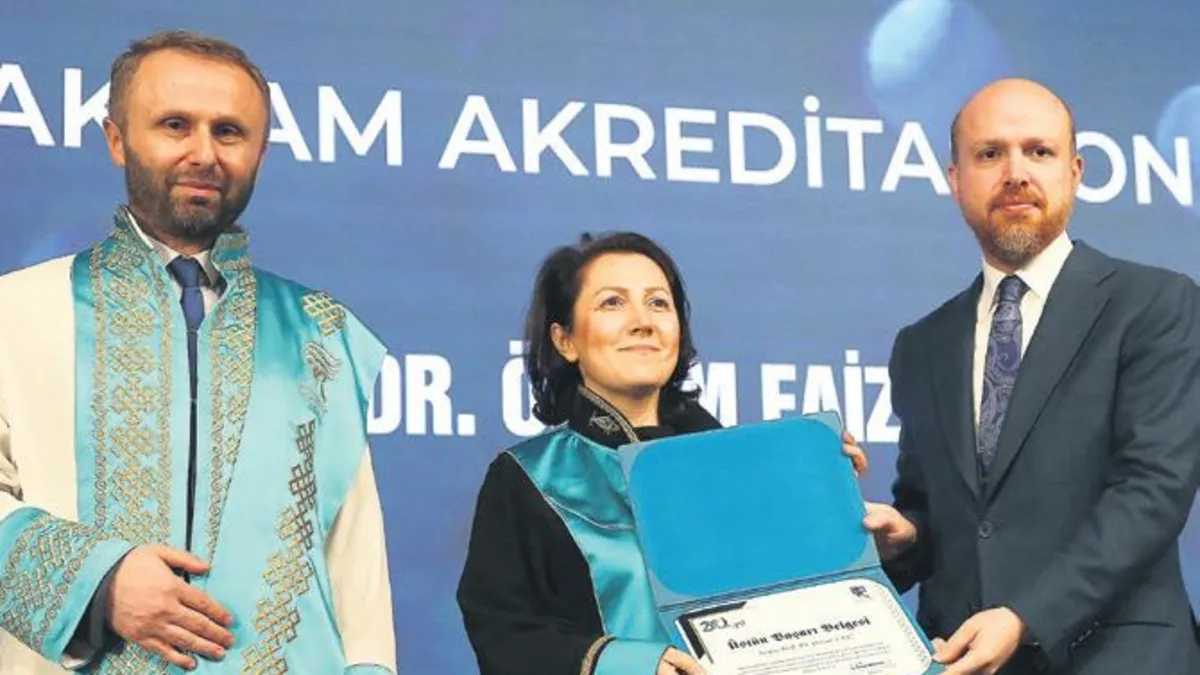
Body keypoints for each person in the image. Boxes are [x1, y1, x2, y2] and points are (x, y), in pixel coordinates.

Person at [0, 30, 396, 674]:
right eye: (175, 125)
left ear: (261, 152)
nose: (204, 153)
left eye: (229, 132)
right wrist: (97, 582)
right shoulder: (14, 311)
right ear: (117, 140)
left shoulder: (321, 334)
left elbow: (356, 571)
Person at [864, 77, 1200, 674]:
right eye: (990, 154)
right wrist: (906, 536)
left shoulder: (1155, 305)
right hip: (961, 658)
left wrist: (1026, 616)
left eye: (1038, 151)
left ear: (1075, 172)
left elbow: (1153, 491)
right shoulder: (921, 345)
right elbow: (936, 512)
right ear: (955, 179)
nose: (1015, 173)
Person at [456, 231, 868, 675]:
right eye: (612, 303)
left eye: (658, 303)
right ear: (565, 340)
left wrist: (838, 521)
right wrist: (626, 664)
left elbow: (808, 609)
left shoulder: (744, 468)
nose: (643, 322)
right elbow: (503, 633)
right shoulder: (528, 478)